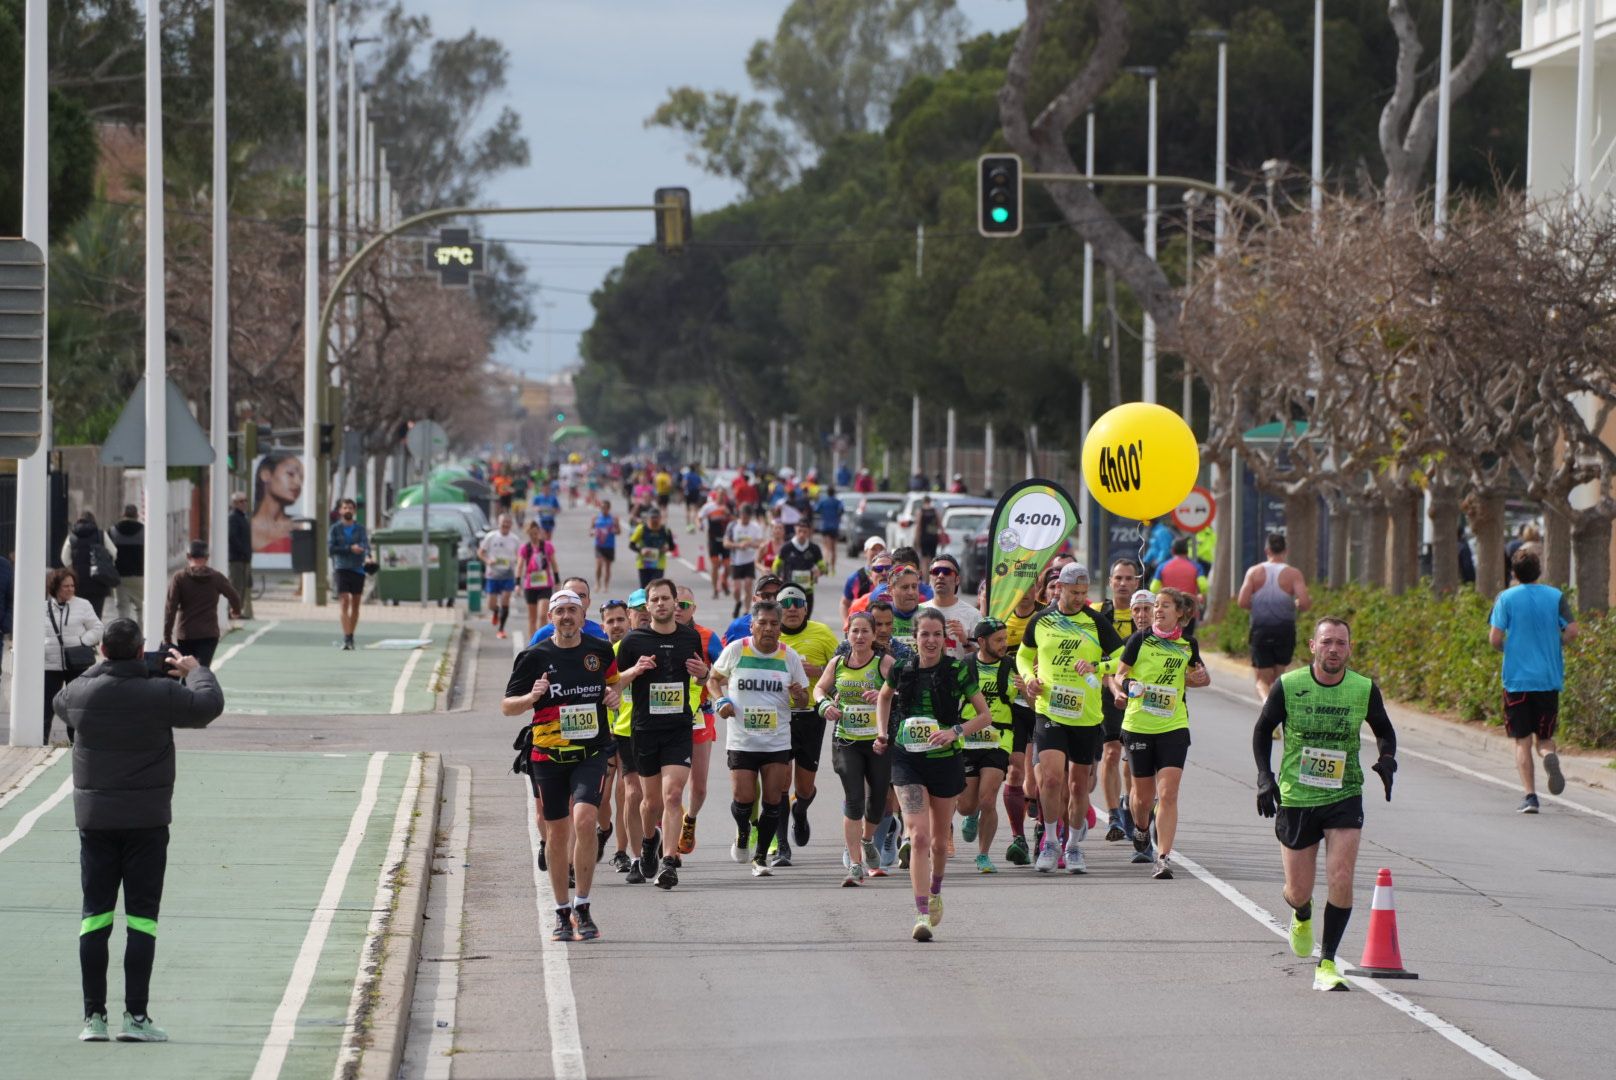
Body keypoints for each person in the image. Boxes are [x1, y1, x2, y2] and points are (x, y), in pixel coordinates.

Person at [54, 617, 225, 1042]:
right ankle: (137, 1018)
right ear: (139, 651)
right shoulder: (160, 693)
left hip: (95, 822)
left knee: (95, 916)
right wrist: (196, 670)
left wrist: (102, 666)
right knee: (142, 920)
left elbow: (61, 700)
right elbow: (207, 707)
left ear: (104, 651)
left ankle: (93, 1019)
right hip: (147, 821)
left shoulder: (82, 692)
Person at [1254, 616, 1398, 992]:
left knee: (1341, 877)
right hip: (1297, 796)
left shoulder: (1363, 689)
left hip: (1344, 793)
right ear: (1313, 647)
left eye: (1341, 643)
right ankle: (1302, 913)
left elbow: (1384, 730)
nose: (1334, 649)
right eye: (1327, 642)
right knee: (1298, 890)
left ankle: (1328, 962)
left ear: (1349, 649)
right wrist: (1264, 777)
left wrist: (1387, 759)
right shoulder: (1289, 685)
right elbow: (1261, 731)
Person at [503, 590, 619, 942]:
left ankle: (582, 905)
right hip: (548, 755)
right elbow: (508, 706)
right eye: (560, 611)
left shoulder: (599, 652)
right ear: (550, 618)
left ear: (583, 617)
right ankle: (560, 911)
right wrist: (531, 698)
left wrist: (613, 698)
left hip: (591, 751)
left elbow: (612, 687)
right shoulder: (534, 657)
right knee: (556, 834)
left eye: (573, 610)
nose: (567, 616)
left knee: (585, 820)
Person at [876, 608, 993, 942]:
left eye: (936, 635)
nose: (930, 641)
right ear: (914, 638)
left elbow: (984, 716)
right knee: (920, 837)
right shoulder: (900, 668)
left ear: (945, 638)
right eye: (924, 634)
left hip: (945, 760)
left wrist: (955, 731)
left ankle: (936, 889)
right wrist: (882, 733)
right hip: (907, 760)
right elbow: (884, 698)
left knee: (940, 843)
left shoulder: (957, 670)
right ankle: (921, 912)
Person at [1017, 563, 1123, 874]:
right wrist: (1029, 678)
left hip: (1086, 715)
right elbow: (1024, 654)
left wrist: (1097, 667)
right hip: (1050, 710)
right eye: (1074, 592)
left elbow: (1122, 656)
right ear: (1059, 588)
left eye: (1083, 593)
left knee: (1078, 787)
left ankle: (1074, 846)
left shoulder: (1095, 621)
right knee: (1050, 779)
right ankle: (1050, 841)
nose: (1079, 598)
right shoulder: (1041, 619)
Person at [613, 578, 712, 890]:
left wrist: (704, 675)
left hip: (678, 728)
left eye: (665, 599)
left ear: (674, 603)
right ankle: (647, 841)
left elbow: (700, 678)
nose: (660, 604)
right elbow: (615, 685)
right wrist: (635, 670)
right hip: (644, 729)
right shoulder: (633, 642)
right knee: (650, 802)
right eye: (654, 600)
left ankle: (669, 861)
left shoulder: (690, 638)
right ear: (648, 606)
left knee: (672, 795)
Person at [1113, 587, 1211, 880]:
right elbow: (1119, 674)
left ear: (1179, 612)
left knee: (1167, 794)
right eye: (1156, 605)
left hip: (1173, 725)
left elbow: (1197, 678)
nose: (1157, 610)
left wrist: (1200, 678)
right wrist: (1126, 685)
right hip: (1139, 725)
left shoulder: (1188, 645)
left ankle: (1163, 857)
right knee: (1142, 798)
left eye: (1164, 605)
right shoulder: (1139, 640)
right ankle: (1142, 829)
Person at [709, 599, 809, 878]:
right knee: (743, 799)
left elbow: (802, 701)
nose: (767, 628)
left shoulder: (789, 656)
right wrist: (720, 701)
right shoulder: (737, 650)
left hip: (776, 740)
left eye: (773, 624)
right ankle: (743, 832)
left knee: (773, 800)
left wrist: (799, 694)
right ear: (752, 625)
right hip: (742, 740)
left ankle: (761, 857)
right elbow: (713, 679)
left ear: (780, 628)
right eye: (762, 623)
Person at [1489, 549, 1577, 813]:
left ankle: (1530, 797)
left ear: (1514, 574)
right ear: (1539, 571)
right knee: (1545, 738)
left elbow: (1494, 639)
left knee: (1521, 740)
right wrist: (1556, 643)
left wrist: (1511, 649)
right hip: (1548, 679)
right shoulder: (1556, 597)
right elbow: (1572, 630)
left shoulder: (1505, 598)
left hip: (1517, 680)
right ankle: (1549, 756)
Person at [815, 610, 896, 885]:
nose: (859, 636)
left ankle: (867, 839)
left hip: (877, 742)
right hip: (846, 740)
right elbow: (819, 689)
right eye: (854, 631)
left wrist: (886, 694)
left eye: (865, 631)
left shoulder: (884, 663)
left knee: (878, 803)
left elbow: (905, 690)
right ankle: (855, 864)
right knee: (854, 800)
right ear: (847, 634)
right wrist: (825, 704)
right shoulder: (838, 663)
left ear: (874, 635)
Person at [957, 619, 1016, 875]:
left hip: (999, 739)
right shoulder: (965, 668)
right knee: (966, 806)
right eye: (998, 640)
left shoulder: (1012, 667)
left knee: (988, 799)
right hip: (968, 738)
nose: (1004, 644)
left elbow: (1029, 703)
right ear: (981, 642)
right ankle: (972, 815)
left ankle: (983, 855)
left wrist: (1029, 691)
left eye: (1005, 639)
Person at [1096, 560, 1143, 845]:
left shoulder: (1144, 611)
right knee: (1112, 752)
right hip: (1107, 690)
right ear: (1110, 581)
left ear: (1137, 582)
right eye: (1118, 578)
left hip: (1140, 695)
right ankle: (1113, 815)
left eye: (1129, 578)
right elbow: (1098, 661)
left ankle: (1129, 803)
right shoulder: (1099, 613)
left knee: (1131, 759)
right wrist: (1113, 688)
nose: (1123, 583)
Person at [674, 585, 723, 858]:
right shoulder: (656, 636)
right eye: (676, 604)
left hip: (699, 715)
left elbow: (724, 673)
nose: (679, 610)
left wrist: (707, 674)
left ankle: (689, 818)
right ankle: (671, 831)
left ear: (694, 609)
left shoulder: (707, 637)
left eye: (685, 605)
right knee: (671, 786)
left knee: (699, 784)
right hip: (665, 716)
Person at [1238, 532, 1312, 703]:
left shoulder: (1254, 572)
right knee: (1279, 675)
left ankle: (1266, 703)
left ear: (1267, 550)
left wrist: (1257, 606)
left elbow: (1242, 602)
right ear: (1285, 551)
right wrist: (1295, 605)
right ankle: (1276, 705)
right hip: (1285, 629)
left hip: (1260, 630)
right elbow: (1306, 603)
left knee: (1261, 679)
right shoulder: (1293, 574)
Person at [44, 568, 104, 744]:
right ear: (55, 587)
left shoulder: (83, 605)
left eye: (72, 585)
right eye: (65, 586)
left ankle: (76, 741)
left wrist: (82, 641)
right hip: (49, 665)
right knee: (47, 705)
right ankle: (42, 741)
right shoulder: (43, 608)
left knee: (76, 705)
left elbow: (98, 628)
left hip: (77, 663)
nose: (70, 589)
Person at [163, 541, 242, 668]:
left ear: (188, 556)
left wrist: (167, 636)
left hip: (186, 634)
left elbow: (170, 608)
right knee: (202, 670)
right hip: (209, 633)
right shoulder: (216, 577)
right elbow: (235, 596)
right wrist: (236, 611)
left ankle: (186, 687)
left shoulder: (179, 577)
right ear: (207, 558)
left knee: (187, 670)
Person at [328, 498, 369, 650]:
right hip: (341, 568)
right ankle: (347, 638)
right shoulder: (335, 529)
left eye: (350, 508)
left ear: (354, 511)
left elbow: (366, 545)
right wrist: (349, 549)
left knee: (356, 604)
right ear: (340, 510)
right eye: (345, 508)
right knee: (344, 601)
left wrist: (366, 553)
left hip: (358, 568)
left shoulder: (360, 529)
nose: (347, 511)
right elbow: (331, 549)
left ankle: (351, 635)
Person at [61, 511, 117, 619]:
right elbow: (113, 552)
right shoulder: (101, 534)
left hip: (78, 582)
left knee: (79, 614)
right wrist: (107, 563)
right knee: (96, 615)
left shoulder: (71, 536)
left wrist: (71, 567)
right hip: (98, 581)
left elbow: (64, 557)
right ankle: (95, 635)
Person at [923, 554, 980, 660]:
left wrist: (965, 641)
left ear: (957, 580)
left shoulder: (973, 614)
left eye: (946, 572)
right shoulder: (919, 611)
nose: (940, 575)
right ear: (929, 578)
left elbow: (980, 660)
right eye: (935, 572)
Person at [772, 520, 828, 619]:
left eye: (805, 531)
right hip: (789, 590)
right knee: (787, 618)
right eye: (799, 531)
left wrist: (819, 572)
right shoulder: (787, 547)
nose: (802, 534)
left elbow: (823, 567)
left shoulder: (814, 548)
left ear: (809, 532)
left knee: (806, 619)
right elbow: (776, 565)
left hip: (807, 591)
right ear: (795, 530)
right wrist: (778, 578)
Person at [527, 577, 607, 646]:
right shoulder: (542, 635)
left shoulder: (601, 633)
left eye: (581, 596)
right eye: (570, 595)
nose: (576, 600)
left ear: (589, 602)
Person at [251, 452, 304, 554]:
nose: (298, 483)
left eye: (301, 478)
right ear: (266, 475)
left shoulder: (300, 526)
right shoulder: (244, 527)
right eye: (290, 474)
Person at [519, 520, 560, 643]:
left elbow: (553, 563)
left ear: (540, 533)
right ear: (528, 534)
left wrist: (557, 581)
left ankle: (541, 642)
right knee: (532, 618)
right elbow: (520, 565)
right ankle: (533, 645)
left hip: (545, 585)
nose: (534, 536)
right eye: (531, 534)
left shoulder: (547, 546)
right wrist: (517, 583)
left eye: (536, 533)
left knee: (542, 615)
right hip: (530, 586)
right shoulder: (525, 548)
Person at [723, 502, 765, 619]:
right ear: (739, 515)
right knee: (736, 589)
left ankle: (746, 611)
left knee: (747, 585)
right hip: (736, 561)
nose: (745, 519)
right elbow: (725, 543)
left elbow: (762, 543)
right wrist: (738, 545)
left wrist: (751, 544)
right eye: (743, 516)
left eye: (747, 517)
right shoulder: (733, 526)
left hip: (750, 561)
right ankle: (738, 602)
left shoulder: (755, 527)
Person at [1150, 537, 1209, 617]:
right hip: (1189, 609)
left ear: (1172, 551)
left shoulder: (1162, 567)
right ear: (1187, 551)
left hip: (1169, 609)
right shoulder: (1196, 567)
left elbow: (1153, 588)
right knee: (1188, 629)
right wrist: (1201, 595)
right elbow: (1204, 586)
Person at [108, 505, 146, 623]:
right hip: (140, 577)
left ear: (123, 515)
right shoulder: (145, 531)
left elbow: (107, 554)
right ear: (137, 515)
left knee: (122, 611)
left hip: (120, 577)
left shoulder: (112, 531)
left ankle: (124, 637)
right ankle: (141, 637)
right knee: (141, 610)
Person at [628, 506, 679, 590]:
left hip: (659, 564)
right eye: (652, 518)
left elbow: (672, 547)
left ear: (660, 518)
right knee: (644, 590)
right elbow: (631, 545)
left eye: (657, 518)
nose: (655, 520)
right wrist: (641, 550)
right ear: (648, 518)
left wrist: (666, 549)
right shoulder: (641, 529)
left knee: (656, 589)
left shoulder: (666, 530)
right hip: (644, 564)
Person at [842, 538, 889, 622]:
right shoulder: (854, 578)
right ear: (865, 552)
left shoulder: (894, 578)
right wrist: (847, 624)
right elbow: (845, 603)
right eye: (873, 549)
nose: (877, 552)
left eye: (881, 549)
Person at [698, 487, 732, 599]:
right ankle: (715, 590)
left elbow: (736, 520)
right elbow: (699, 517)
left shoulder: (729, 506)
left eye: (723, 495)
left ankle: (724, 581)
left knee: (728, 566)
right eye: (720, 494)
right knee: (715, 565)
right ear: (716, 495)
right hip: (713, 539)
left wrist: (728, 514)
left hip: (726, 540)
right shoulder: (709, 507)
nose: (722, 497)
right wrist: (700, 524)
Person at [227, 493, 253, 621]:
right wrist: (243, 551)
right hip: (236, 558)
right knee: (236, 586)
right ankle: (233, 611)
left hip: (244, 558)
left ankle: (238, 610)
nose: (244, 503)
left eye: (245, 501)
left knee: (243, 586)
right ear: (235, 503)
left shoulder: (243, 517)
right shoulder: (233, 518)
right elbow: (233, 537)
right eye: (241, 501)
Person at [591, 501, 621, 593]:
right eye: (602, 507)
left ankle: (606, 585)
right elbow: (591, 531)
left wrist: (614, 530)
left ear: (609, 508)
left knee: (607, 567)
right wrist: (593, 532)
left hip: (609, 545)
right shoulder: (595, 518)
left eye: (605, 508)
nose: (603, 509)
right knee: (599, 564)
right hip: (599, 545)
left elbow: (619, 532)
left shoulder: (613, 519)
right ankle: (597, 583)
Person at [815, 487, 844, 574]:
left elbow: (816, 509)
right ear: (834, 493)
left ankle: (826, 563)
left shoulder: (823, 501)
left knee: (826, 547)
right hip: (835, 526)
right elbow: (841, 510)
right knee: (834, 548)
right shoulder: (838, 502)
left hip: (825, 526)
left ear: (827, 493)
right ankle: (833, 568)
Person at [915, 495, 941, 560]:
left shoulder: (921, 511)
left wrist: (916, 540)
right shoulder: (935, 511)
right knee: (932, 558)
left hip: (924, 538)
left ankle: (925, 570)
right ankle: (931, 570)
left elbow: (918, 527)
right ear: (930, 501)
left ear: (923, 501)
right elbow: (940, 525)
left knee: (924, 559)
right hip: (933, 538)